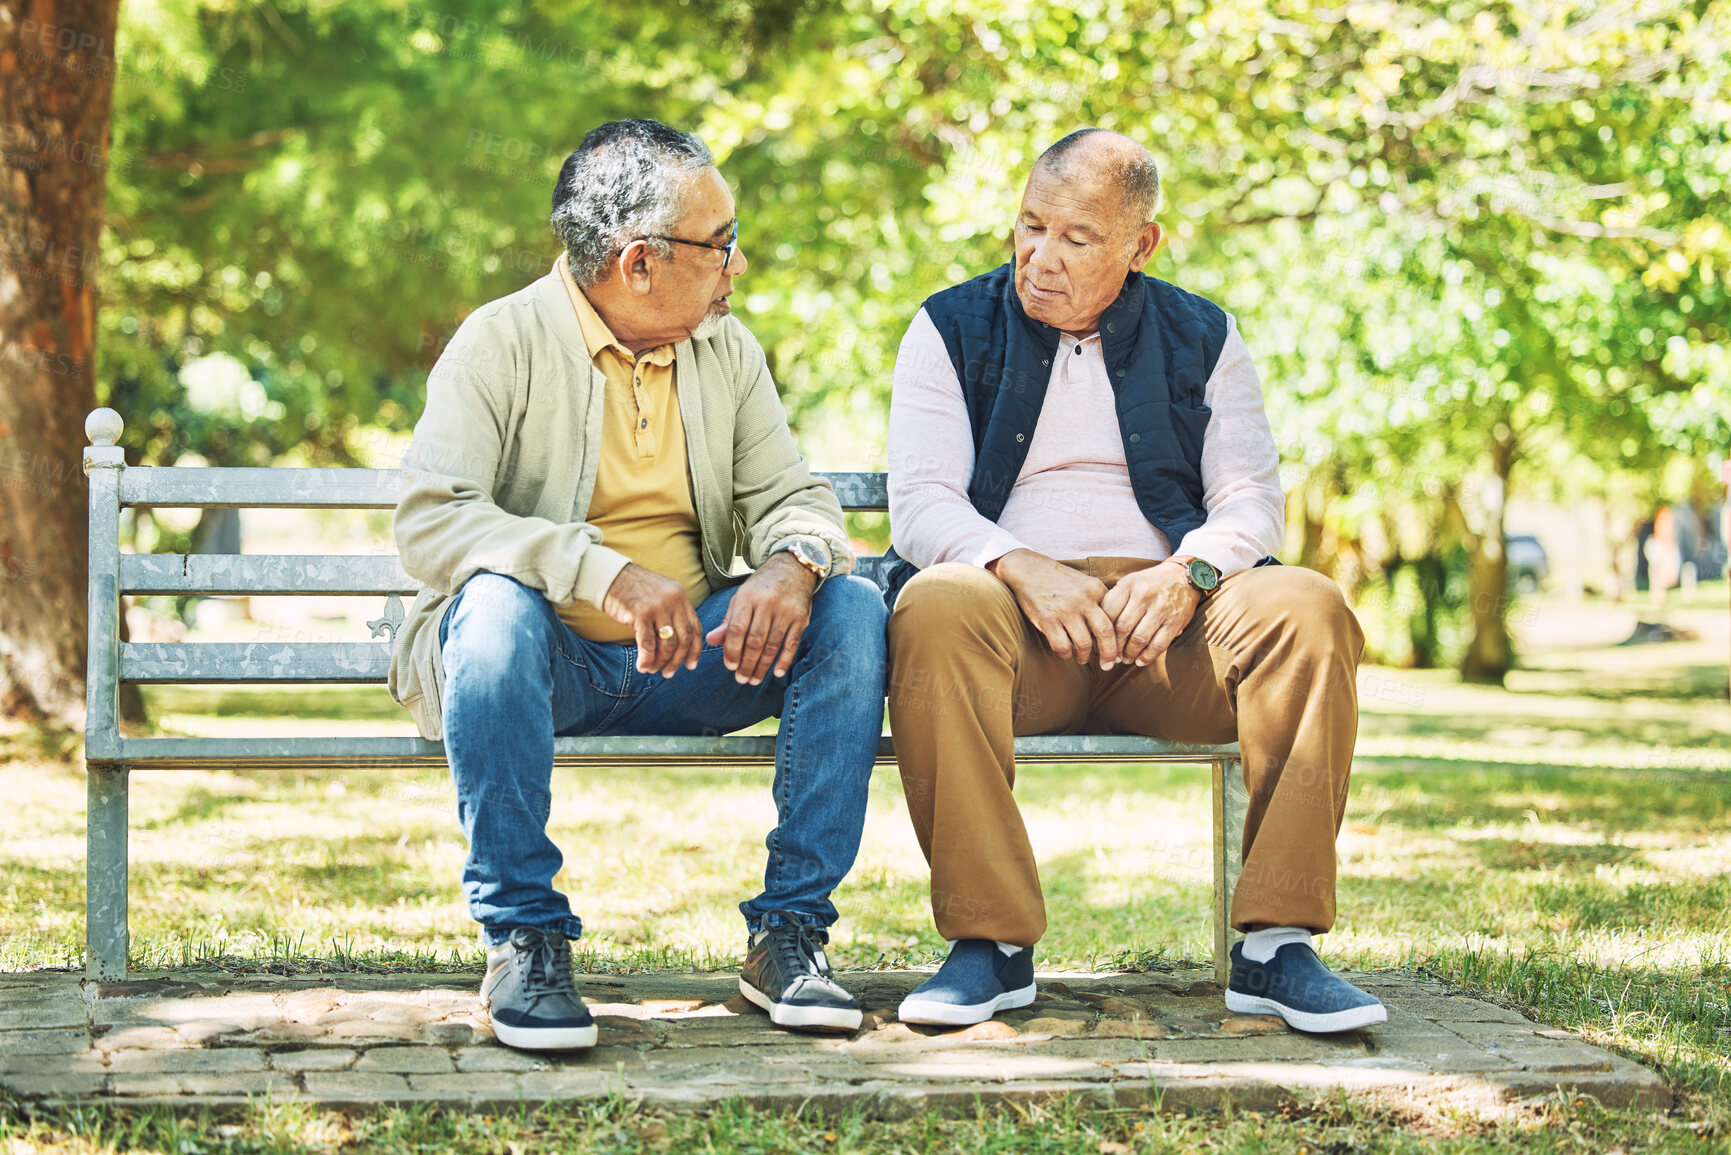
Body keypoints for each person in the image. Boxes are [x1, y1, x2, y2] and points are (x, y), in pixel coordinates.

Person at [389, 119, 887, 1051]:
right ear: (638, 262)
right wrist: (600, 573)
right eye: (721, 244)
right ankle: (522, 938)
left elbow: (793, 495)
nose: (735, 268)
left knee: (850, 608)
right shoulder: (498, 341)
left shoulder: (724, 350)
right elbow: (429, 521)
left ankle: (788, 932)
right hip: (542, 665)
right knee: (493, 608)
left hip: (694, 658)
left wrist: (791, 562)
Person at [883, 128, 1384, 1034]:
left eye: (1076, 237)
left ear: (1140, 245)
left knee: (1306, 605)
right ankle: (989, 947)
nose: (1041, 256)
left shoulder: (1203, 333)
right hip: (1014, 637)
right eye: (1029, 226)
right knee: (934, 600)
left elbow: (1249, 501)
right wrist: (1018, 565)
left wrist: (1187, 574)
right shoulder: (947, 326)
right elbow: (920, 504)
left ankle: (1277, 945)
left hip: (1171, 640)